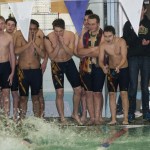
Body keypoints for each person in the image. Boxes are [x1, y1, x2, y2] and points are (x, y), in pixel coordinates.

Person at [44, 18, 82, 125]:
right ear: (53, 29)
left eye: (60, 31)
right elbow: (51, 56)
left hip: (69, 62)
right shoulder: (48, 37)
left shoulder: (70, 35)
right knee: (59, 92)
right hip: (56, 65)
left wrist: (63, 44)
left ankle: (75, 113)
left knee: (78, 90)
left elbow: (70, 53)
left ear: (64, 29)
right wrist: (58, 45)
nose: (58, 33)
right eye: (56, 31)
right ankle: (62, 118)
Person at [123, 3, 150, 122]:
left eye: (141, 9)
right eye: (137, 9)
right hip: (133, 57)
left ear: (145, 10)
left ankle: (146, 111)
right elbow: (126, 40)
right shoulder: (128, 24)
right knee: (133, 86)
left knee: (145, 86)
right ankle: (131, 112)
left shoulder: (149, 23)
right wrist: (139, 38)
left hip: (146, 57)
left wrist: (147, 42)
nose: (139, 12)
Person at [14, 19, 45, 118]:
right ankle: (22, 119)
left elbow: (43, 55)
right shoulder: (20, 37)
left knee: (36, 97)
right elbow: (16, 51)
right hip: (23, 72)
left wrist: (34, 44)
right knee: (23, 97)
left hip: (36, 72)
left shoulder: (40, 39)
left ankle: (37, 120)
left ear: (37, 30)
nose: (32, 31)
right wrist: (29, 43)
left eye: (34, 29)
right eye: (30, 29)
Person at [77, 14, 105, 125]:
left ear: (98, 23)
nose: (91, 26)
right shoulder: (84, 34)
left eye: (93, 24)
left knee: (97, 93)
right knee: (88, 93)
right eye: (89, 24)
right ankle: (92, 118)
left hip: (99, 66)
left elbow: (101, 52)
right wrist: (94, 49)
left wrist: (86, 50)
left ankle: (97, 118)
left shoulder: (103, 34)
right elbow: (79, 51)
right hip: (86, 67)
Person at [99, 25, 129, 125]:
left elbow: (124, 57)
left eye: (110, 36)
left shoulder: (121, 42)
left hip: (123, 69)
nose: (107, 39)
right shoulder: (103, 45)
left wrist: (119, 66)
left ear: (114, 35)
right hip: (112, 70)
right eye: (106, 36)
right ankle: (113, 119)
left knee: (124, 93)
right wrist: (103, 67)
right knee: (112, 94)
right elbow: (100, 60)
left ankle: (125, 118)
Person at [74, 9, 93, 124]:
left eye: (88, 19)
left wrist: (85, 52)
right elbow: (75, 51)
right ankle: (84, 114)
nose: (86, 22)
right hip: (84, 65)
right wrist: (85, 54)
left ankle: (95, 115)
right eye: (84, 20)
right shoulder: (78, 32)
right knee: (84, 91)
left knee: (96, 92)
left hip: (96, 64)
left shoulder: (97, 32)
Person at [0, 16, 15, 117]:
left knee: (6, 94)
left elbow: (12, 55)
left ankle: (6, 119)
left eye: (1, 23)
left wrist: (12, 72)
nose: (0, 25)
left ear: (4, 25)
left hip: (5, 67)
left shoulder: (9, 37)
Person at [5, 17, 20, 121]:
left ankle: (15, 116)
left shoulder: (17, 37)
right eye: (8, 24)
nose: (10, 27)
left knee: (14, 92)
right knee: (3, 93)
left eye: (12, 25)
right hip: (4, 67)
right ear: (5, 25)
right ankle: (4, 116)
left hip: (15, 67)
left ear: (15, 27)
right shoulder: (2, 37)